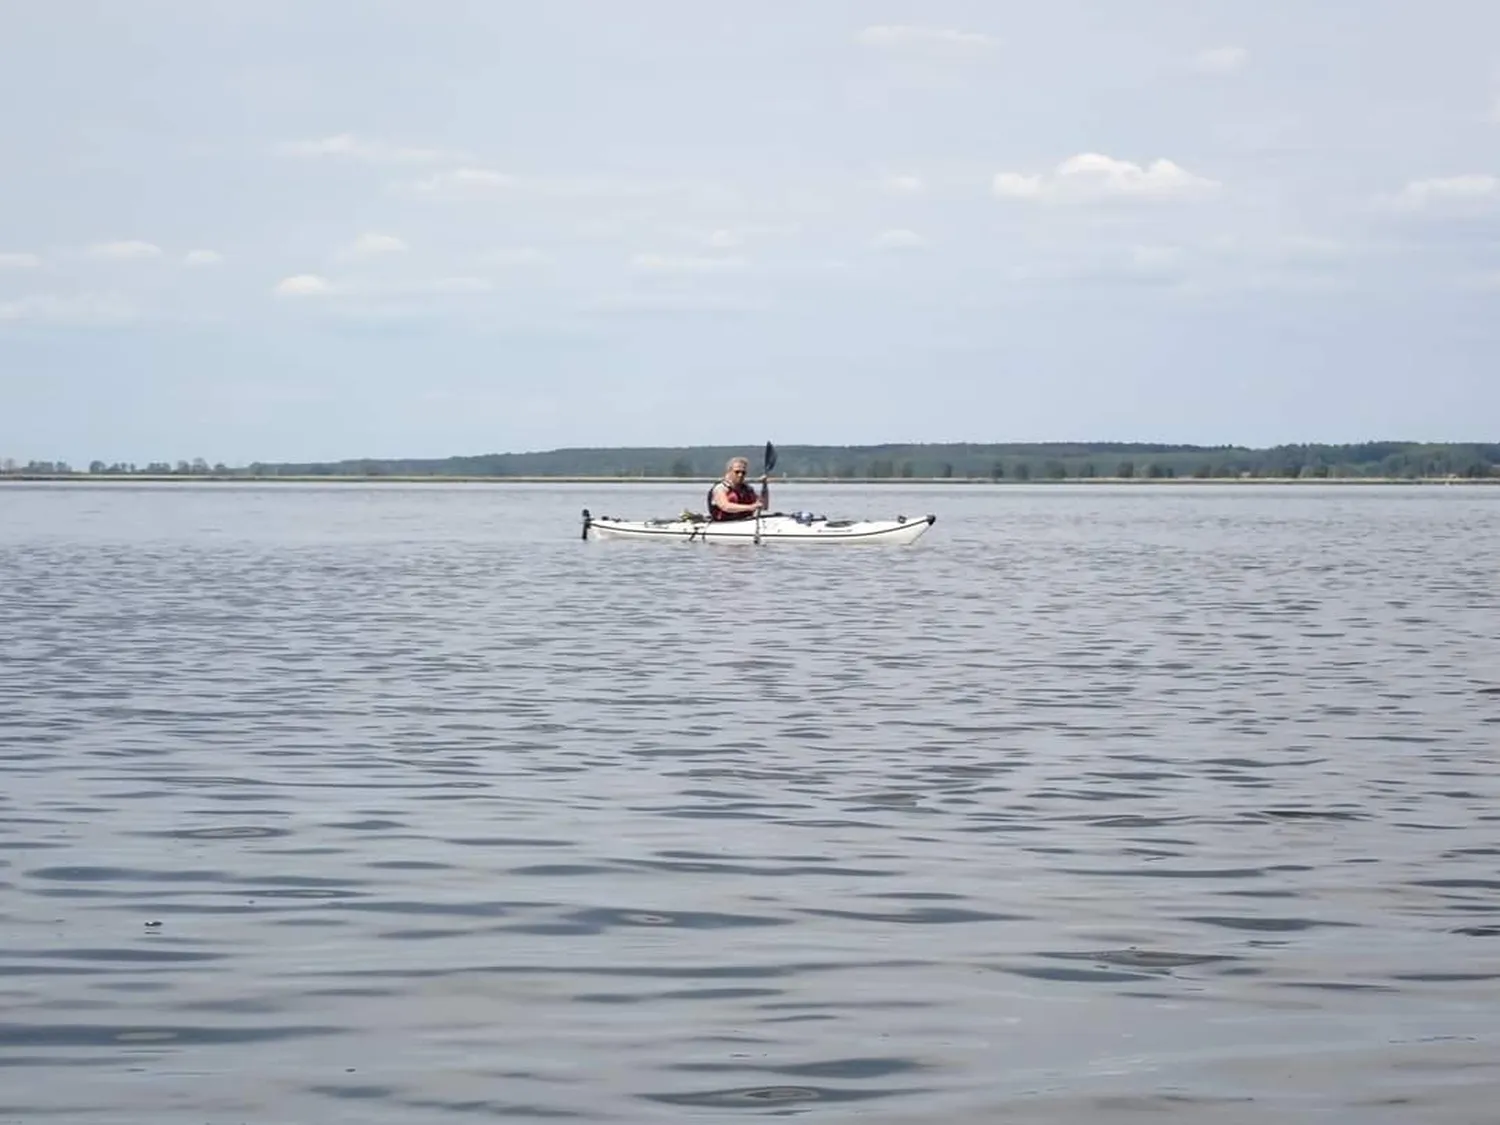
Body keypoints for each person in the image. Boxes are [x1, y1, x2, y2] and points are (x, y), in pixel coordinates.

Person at [706, 456, 768, 521]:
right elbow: (725, 506)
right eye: (737, 472)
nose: (740, 475)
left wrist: (765, 486)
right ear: (729, 471)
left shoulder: (747, 489)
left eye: (743, 473)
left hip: (744, 522)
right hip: (723, 524)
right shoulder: (720, 488)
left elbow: (764, 506)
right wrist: (750, 507)